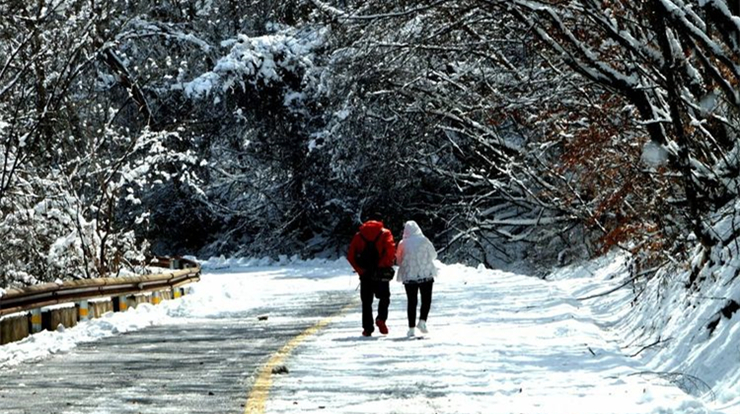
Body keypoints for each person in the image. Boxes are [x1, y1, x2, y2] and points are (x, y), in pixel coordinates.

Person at [347, 212, 396, 337]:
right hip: (381, 273)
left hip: (365, 274)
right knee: (384, 297)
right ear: (381, 221)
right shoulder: (385, 233)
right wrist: (383, 265)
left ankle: (367, 328)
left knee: (366, 302)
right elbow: (390, 251)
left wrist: (360, 270)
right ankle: (381, 318)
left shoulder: (359, 235)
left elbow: (351, 256)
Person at [395, 220, 437, 337]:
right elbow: (434, 255)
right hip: (426, 274)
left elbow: (398, 260)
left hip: (409, 276)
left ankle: (411, 328)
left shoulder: (402, 243)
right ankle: (422, 321)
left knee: (412, 301)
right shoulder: (424, 240)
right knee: (426, 299)